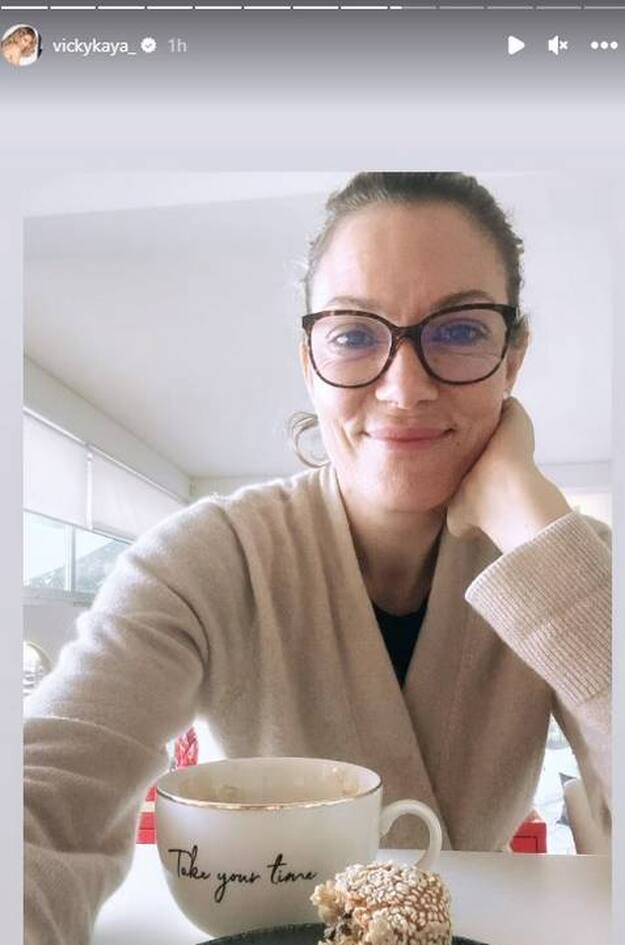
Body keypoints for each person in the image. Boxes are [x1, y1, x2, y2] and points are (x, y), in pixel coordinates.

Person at [24, 172, 611, 945]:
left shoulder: (568, 565)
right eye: (354, 334)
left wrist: (528, 516)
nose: (404, 388)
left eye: (461, 330)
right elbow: (42, 799)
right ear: (309, 361)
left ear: (512, 358)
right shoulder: (205, 558)